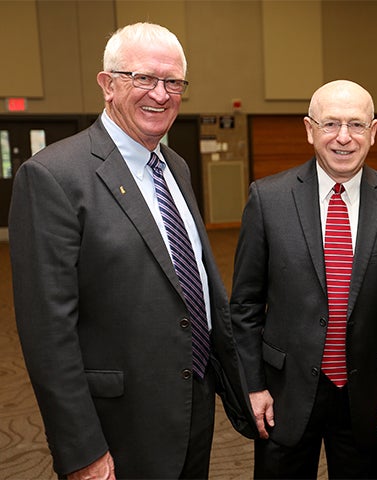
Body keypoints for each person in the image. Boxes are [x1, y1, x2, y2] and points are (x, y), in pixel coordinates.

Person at [9, 22, 255, 479]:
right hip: (119, 425)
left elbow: (194, 278)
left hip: (192, 402)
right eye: (143, 78)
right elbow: (47, 333)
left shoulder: (176, 166)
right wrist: (82, 448)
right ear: (107, 84)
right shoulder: (53, 176)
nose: (160, 95)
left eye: (173, 82)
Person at [230, 79, 377, 479]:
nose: (343, 138)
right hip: (283, 393)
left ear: (373, 132)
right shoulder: (268, 199)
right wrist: (252, 385)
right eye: (330, 124)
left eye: (356, 125)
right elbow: (245, 306)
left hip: (368, 394)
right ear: (309, 129)